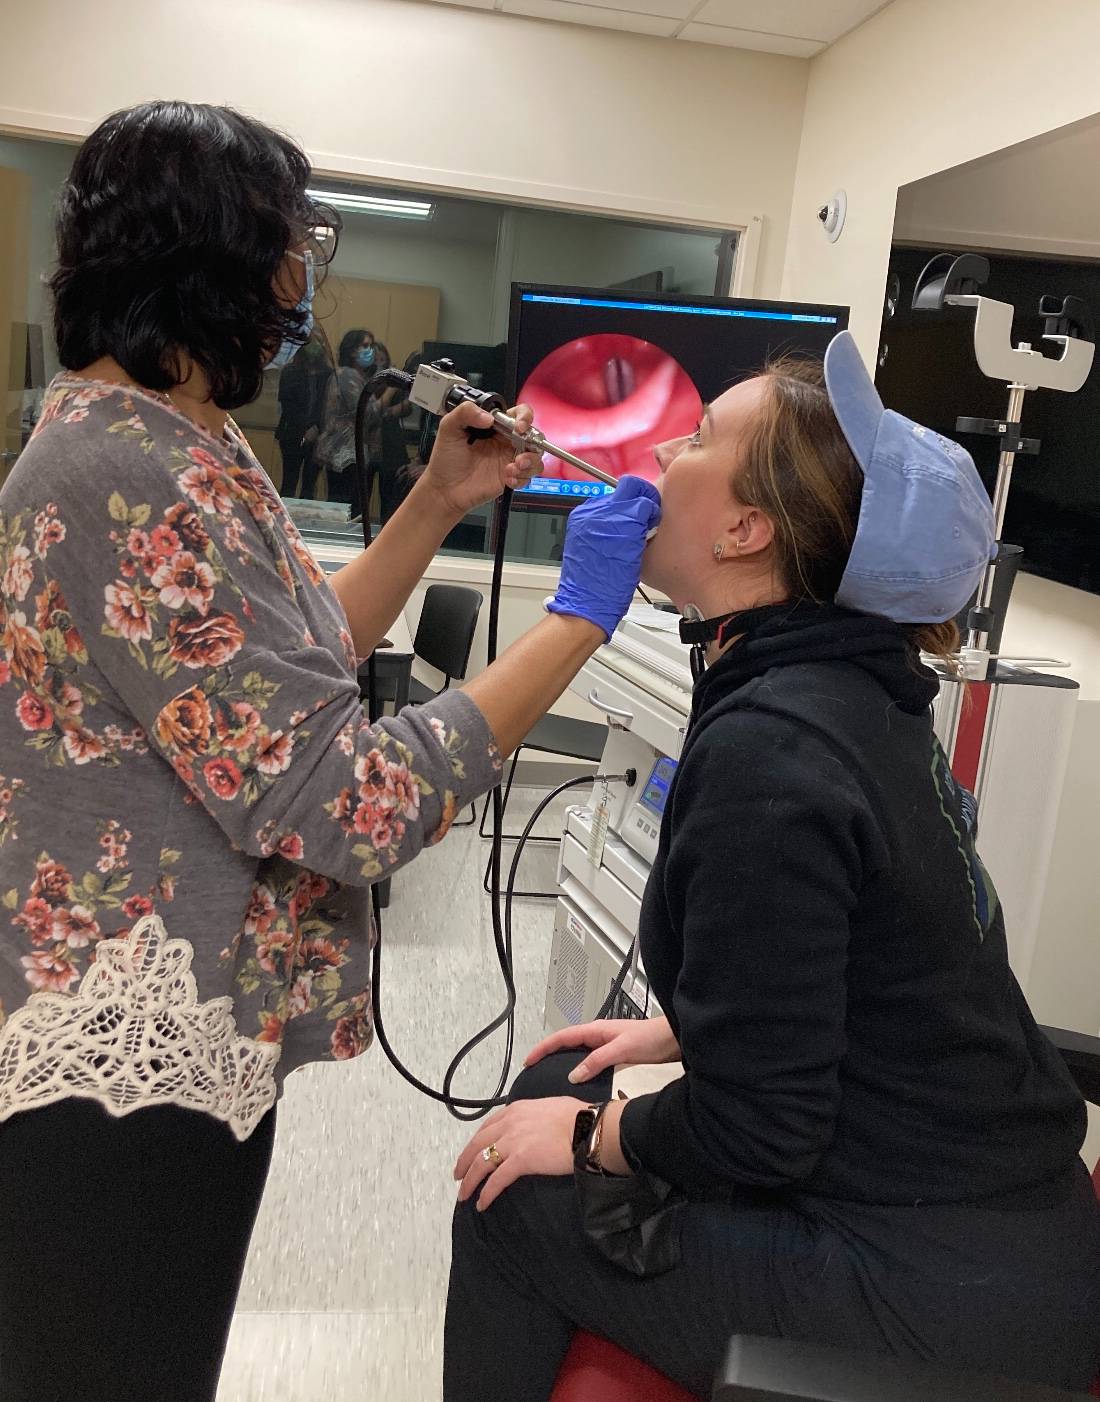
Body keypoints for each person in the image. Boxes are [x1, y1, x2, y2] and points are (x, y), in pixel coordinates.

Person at [0, 100, 660, 1402]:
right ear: (210, 255)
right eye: (289, 242)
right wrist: (578, 619)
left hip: (181, 1020)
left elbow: (278, 677)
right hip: (122, 1053)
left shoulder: (179, 441)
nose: (305, 278)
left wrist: (434, 501)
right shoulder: (120, 472)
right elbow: (344, 801)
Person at [444, 336, 1100, 1400]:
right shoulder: (853, 690)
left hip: (936, 1289)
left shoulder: (776, 749)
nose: (661, 445)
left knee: (506, 1193)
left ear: (745, 531)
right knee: (553, 1078)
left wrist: (592, 1134)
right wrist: (686, 1030)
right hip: (990, 1217)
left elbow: (759, 1127)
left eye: (696, 437)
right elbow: (877, 962)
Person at [315, 325, 377, 519]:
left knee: (344, 507)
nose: (370, 351)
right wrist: (390, 392)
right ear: (352, 350)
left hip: (345, 453)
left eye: (371, 345)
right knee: (348, 511)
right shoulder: (348, 375)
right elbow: (368, 412)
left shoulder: (351, 375)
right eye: (365, 346)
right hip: (346, 454)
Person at [274, 336, 331, 500]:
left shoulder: (328, 373)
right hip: (291, 433)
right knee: (289, 481)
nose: (316, 346)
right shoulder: (290, 371)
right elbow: (288, 405)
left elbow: (328, 406)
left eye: (319, 342)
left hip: (318, 436)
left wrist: (316, 427)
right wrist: (304, 430)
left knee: (310, 483)